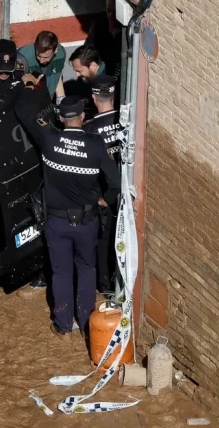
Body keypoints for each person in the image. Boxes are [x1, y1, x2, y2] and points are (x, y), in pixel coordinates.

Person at [15, 85, 121, 338]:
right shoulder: (95, 145)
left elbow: (24, 111)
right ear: (82, 117)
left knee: (61, 273)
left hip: (57, 223)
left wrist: (28, 86)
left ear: (61, 119)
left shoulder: (49, 138)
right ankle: (85, 322)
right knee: (87, 270)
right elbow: (116, 181)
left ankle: (63, 323)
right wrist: (106, 200)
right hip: (87, 221)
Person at [84, 75, 124, 295]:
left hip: (103, 195)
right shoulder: (125, 120)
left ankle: (106, 286)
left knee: (104, 241)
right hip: (125, 191)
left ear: (93, 97)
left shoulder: (90, 129)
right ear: (114, 94)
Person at [85, 0, 122, 85]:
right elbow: (88, 48)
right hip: (100, 68)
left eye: (114, 12)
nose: (110, 16)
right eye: (108, 11)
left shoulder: (126, 32)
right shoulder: (98, 25)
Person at [18, 31, 66, 99]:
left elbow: (57, 74)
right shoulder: (22, 58)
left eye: (46, 57)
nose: (41, 61)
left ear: (55, 51)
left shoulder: (61, 54)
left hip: (47, 101)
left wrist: (61, 98)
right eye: (38, 56)